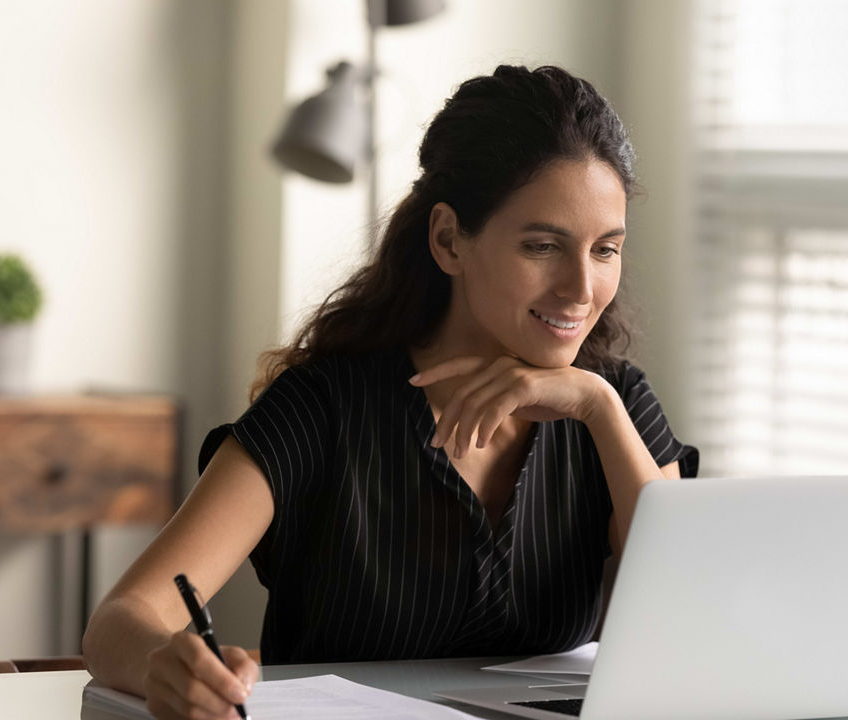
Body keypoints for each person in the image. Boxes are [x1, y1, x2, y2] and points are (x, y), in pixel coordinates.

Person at [82, 64, 698, 720]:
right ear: (448, 240)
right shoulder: (325, 409)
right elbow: (122, 620)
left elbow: (689, 610)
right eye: (543, 246)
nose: (581, 289)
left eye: (605, 250)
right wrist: (164, 668)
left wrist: (597, 407)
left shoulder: (615, 402)